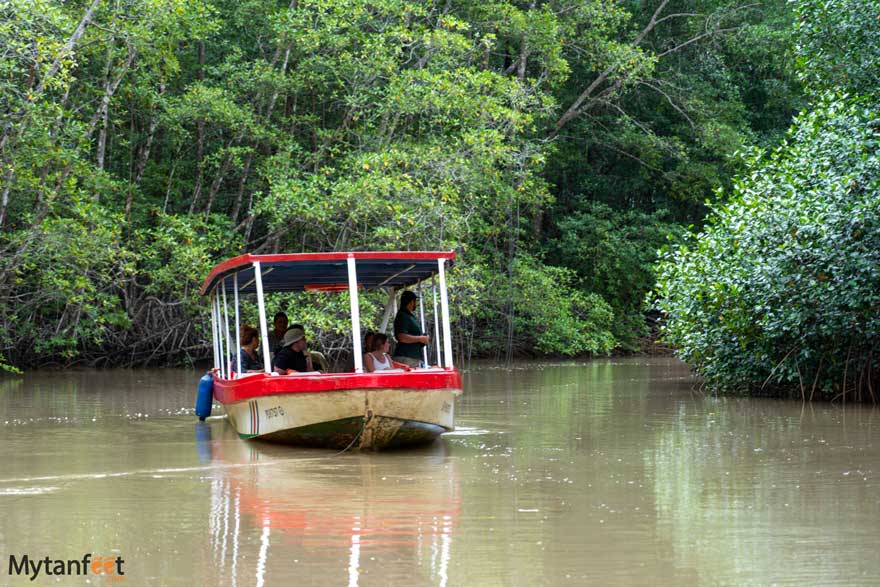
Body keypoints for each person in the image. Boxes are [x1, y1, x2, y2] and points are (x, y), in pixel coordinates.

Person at [393, 290, 428, 368]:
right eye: (415, 301)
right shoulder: (403, 316)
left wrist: (422, 340)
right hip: (406, 357)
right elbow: (402, 337)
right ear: (412, 302)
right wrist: (420, 338)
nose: (416, 304)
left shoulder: (408, 316)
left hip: (412, 357)